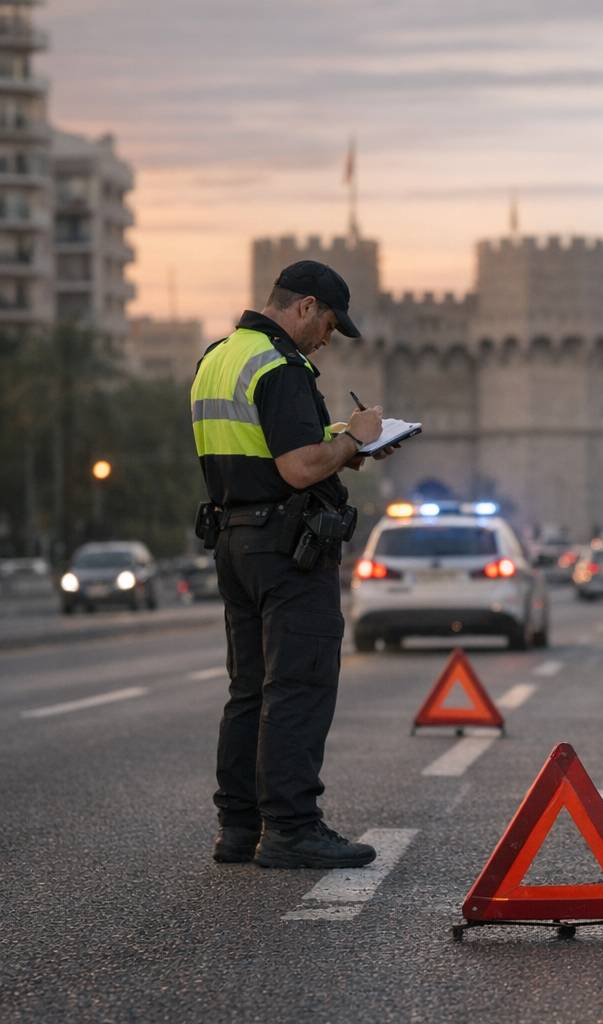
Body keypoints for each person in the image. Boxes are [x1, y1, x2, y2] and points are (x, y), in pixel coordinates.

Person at [190, 260, 397, 869]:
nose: (328, 338)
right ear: (305, 307)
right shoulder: (279, 365)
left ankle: (239, 827)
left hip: (235, 539)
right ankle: (291, 828)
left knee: (249, 689)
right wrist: (356, 438)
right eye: (329, 324)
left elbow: (261, 447)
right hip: (286, 548)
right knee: (298, 684)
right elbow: (299, 467)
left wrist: (339, 447)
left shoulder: (219, 357)